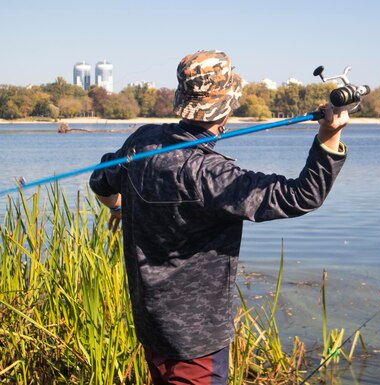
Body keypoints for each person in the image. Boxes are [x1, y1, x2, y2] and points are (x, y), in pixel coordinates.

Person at [89, 50, 349, 385]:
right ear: (227, 106)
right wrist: (329, 138)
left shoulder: (143, 141)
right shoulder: (211, 174)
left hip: (151, 327)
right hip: (195, 344)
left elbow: (100, 180)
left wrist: (117, 208)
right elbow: (302, 195)